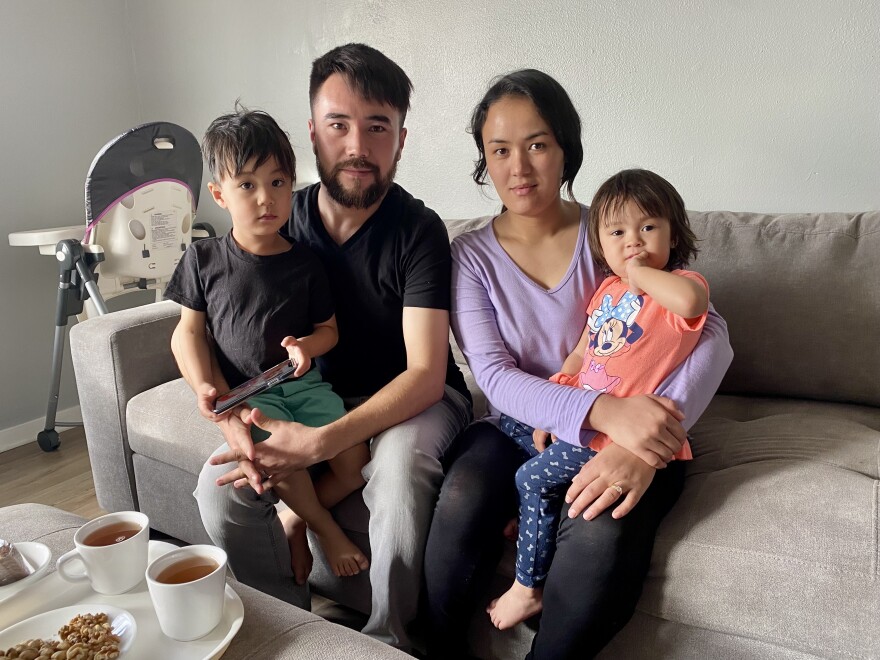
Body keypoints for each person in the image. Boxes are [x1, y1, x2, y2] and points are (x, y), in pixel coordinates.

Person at [423, 69, 733, 659]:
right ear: (484, 162)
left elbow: (712, 332)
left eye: (538, 144)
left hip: (629, 433)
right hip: (520, 425)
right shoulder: (469, 255)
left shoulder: (615, 231)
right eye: (500, 150)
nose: (519, 167)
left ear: (567, 149)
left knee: (601, 525)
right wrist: (599, 410)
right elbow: (492, 376)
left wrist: (644, 443)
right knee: (464, 492)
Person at [190, 44, 472, 651]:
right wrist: (229, 415)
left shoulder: (418, 231)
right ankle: (290, 630)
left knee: (395, 472)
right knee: (220, 495)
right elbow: (210, 325)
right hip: (306, 395)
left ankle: (387, 640)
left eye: (378, 128)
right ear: (312, 130)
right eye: (339, 124)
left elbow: (425, 373)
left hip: (415, 400)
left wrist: (319, 443)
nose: (358, 147)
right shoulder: (274, 216)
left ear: (400, 139)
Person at [488, 168, 710, 630]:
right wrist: (556, 395)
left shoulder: (681, 286)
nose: (634, 241)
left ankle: (527, 588)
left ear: (674, 232)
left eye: (648, 227)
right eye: (618, 232)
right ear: (600, 246)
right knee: (513, 429)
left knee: (530, 478)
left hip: (617, 435)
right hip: (583, 415)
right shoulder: (605, 291)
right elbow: (581, 352)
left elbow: (691, 304)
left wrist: (643, 274)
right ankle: (537, 522)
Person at [166, 107, 371, 582]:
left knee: (354, 461)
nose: (266, 199)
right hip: (249, 397)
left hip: (303, 385)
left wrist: (306, 347)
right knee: (279, 461)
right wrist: (204, 389)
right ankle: (323, 527)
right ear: (219, 194)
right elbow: (189, 333)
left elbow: (330, 330)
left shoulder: (307, 263)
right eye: (247, 186)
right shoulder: (203, 258)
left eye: (278, 183)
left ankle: (292, 520)